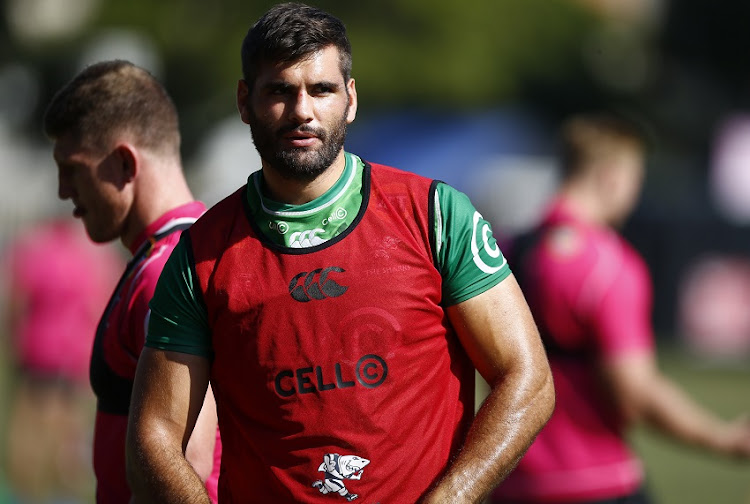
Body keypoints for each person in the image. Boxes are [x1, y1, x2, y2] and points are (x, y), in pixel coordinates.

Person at [125, 3, 555, 503]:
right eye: (280, 91)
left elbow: (528, 379)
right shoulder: (202, 253)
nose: (302, 110)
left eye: (321, 89)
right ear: (246, 102)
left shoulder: (436, 214)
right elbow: (152, 437)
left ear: (350, 99)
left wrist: (450, 499)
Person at [491, 112, 750, 504]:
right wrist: (722, 438)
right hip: (594, 480)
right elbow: (635, 391)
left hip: (512, 482)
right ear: (612, 175)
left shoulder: (502, 251)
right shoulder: (608, 266)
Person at [42, 60, 221, 504]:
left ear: (124, 162)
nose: (63, 190)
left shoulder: (166, 272)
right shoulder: (177, 252)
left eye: (72, 168)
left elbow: (187, 464)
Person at [2, 217, 122, 503]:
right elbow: (103, 305)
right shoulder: (93, 257)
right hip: (72, 358)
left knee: (31, 430)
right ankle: (64, 492)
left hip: (37, 355)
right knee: (69, 433)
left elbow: (17, 302)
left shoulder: (33, 252)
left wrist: (13, 341)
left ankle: (27, 492)